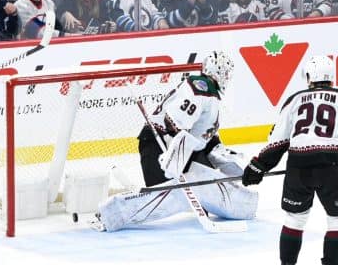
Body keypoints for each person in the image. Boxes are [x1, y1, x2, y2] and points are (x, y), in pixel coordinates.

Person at [241, 55, 338, 265]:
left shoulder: (294, 100)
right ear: (332, 77)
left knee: (295, 219)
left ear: (309, 77)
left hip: (297, 165)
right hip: (330, 166)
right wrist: (336, 160)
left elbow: (278, 141)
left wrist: (258, 166)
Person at [95, 51, 258, 230]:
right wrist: (175, 156)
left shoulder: (210, 97)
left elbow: (202, 136)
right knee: (166, 196)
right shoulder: (201, 88)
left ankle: (243, 204)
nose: (227, 77)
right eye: (225, 72)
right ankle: (112, 213)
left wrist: (227, 159)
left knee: (205, 191)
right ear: (216, 71)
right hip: (158, 145)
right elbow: (172, 122)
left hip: (183, 148)